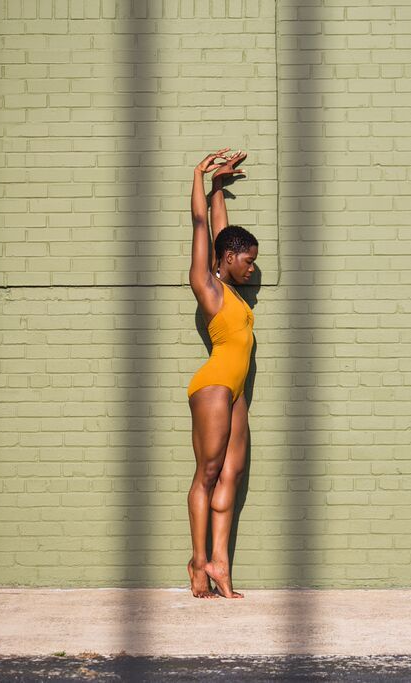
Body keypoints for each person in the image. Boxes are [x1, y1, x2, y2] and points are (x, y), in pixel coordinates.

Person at [185, 148, 257, 599]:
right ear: (228, 259)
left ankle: (221, 565)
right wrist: (198, 175)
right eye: (247, 259)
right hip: (212, 387)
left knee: (232, 471)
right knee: (207, 473)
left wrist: (219, 191)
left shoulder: (234, 293)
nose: (251, 267)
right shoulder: (208, 288)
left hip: (235, 392)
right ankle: (197, 563)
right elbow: (203, 230)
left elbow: (222, 232)